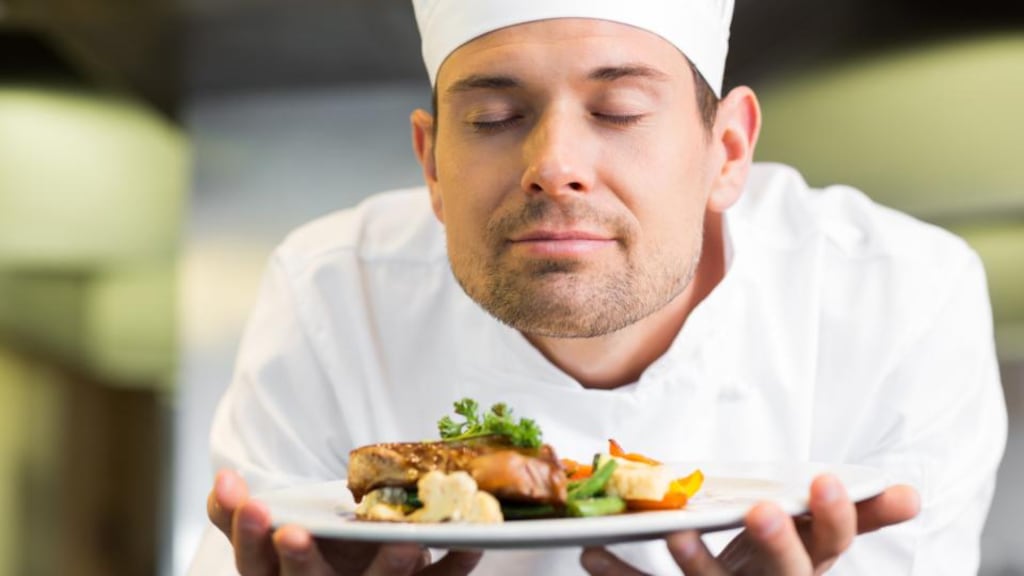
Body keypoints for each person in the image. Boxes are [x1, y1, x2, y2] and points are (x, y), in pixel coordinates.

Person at [190, 0, 1007, 574]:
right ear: (431, 162)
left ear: (727, 152)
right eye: (494, 119)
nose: (555, 168)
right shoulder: (331, 296)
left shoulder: (901, 297)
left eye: (617, 110)